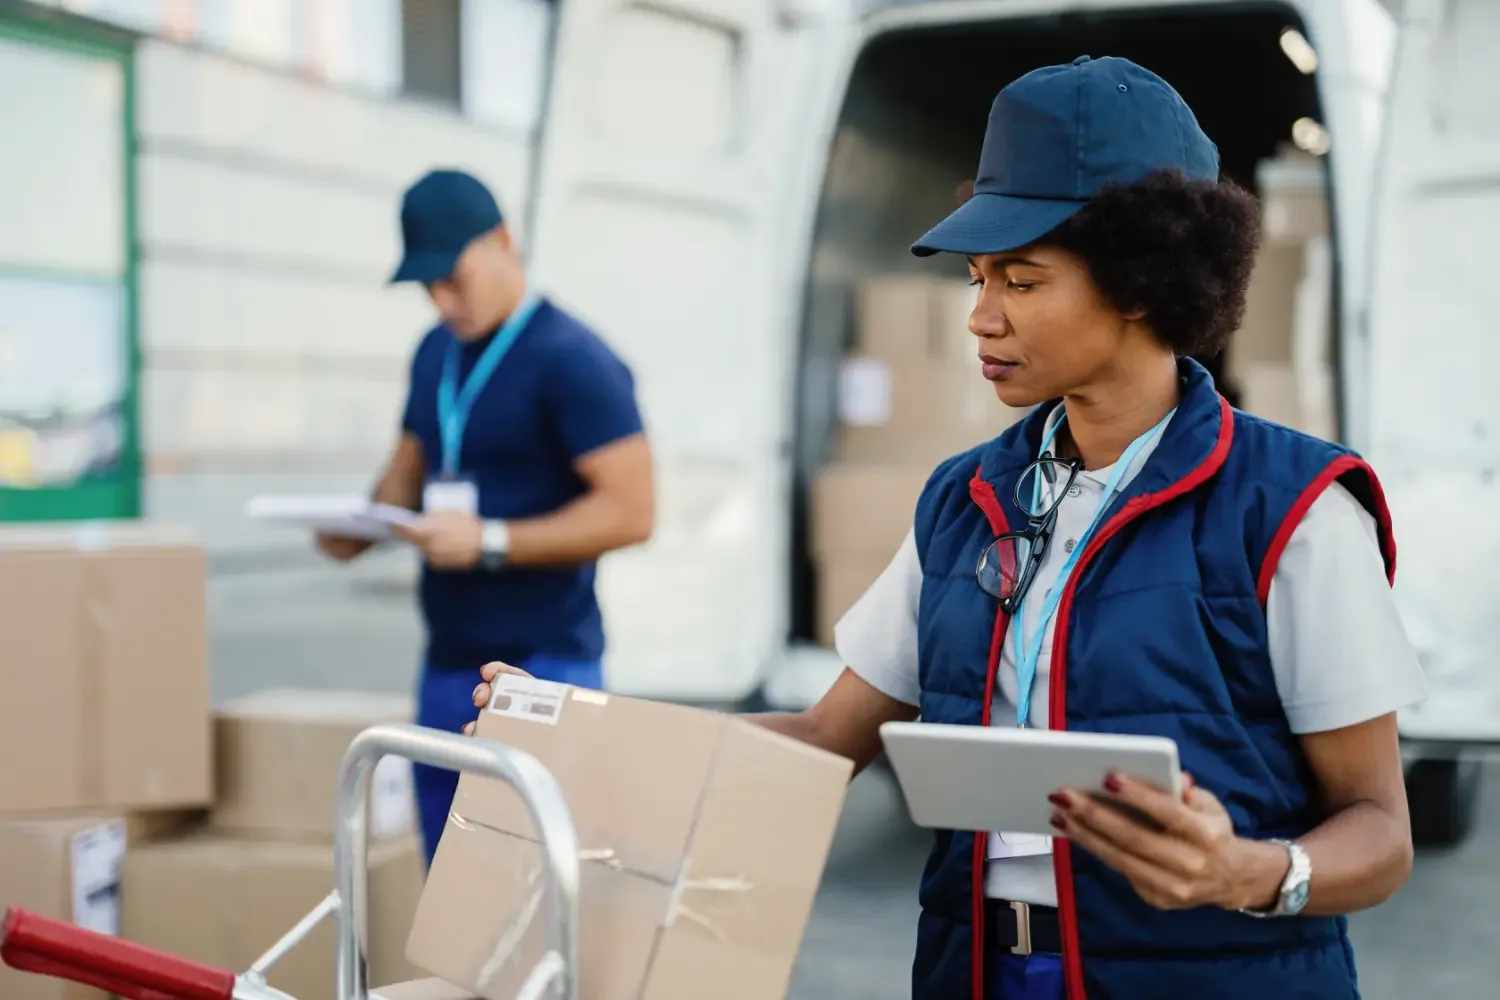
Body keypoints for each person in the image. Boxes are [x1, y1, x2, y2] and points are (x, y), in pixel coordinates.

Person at [472, 56, 1426, 1000]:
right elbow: (823, 737)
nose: (979, 318)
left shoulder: (1291, 510)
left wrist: (1247, 874)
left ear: (1142, 281)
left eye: (1020, 280)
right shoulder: (963, 499)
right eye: (978, 278)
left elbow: (1379, 830)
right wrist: (582, 734)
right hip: (979, 973)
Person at [319, 168, 653, 867]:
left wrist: (491, 541)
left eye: (454, 278)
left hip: (545, 662)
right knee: (448, 887)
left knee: (540, 891)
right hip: (445, 662)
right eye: (426, 286)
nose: (442, 300)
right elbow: (405, 474)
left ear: (503, 242)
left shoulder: (575, 360)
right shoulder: (434, 353)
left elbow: (633, 512)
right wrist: (360, 524)